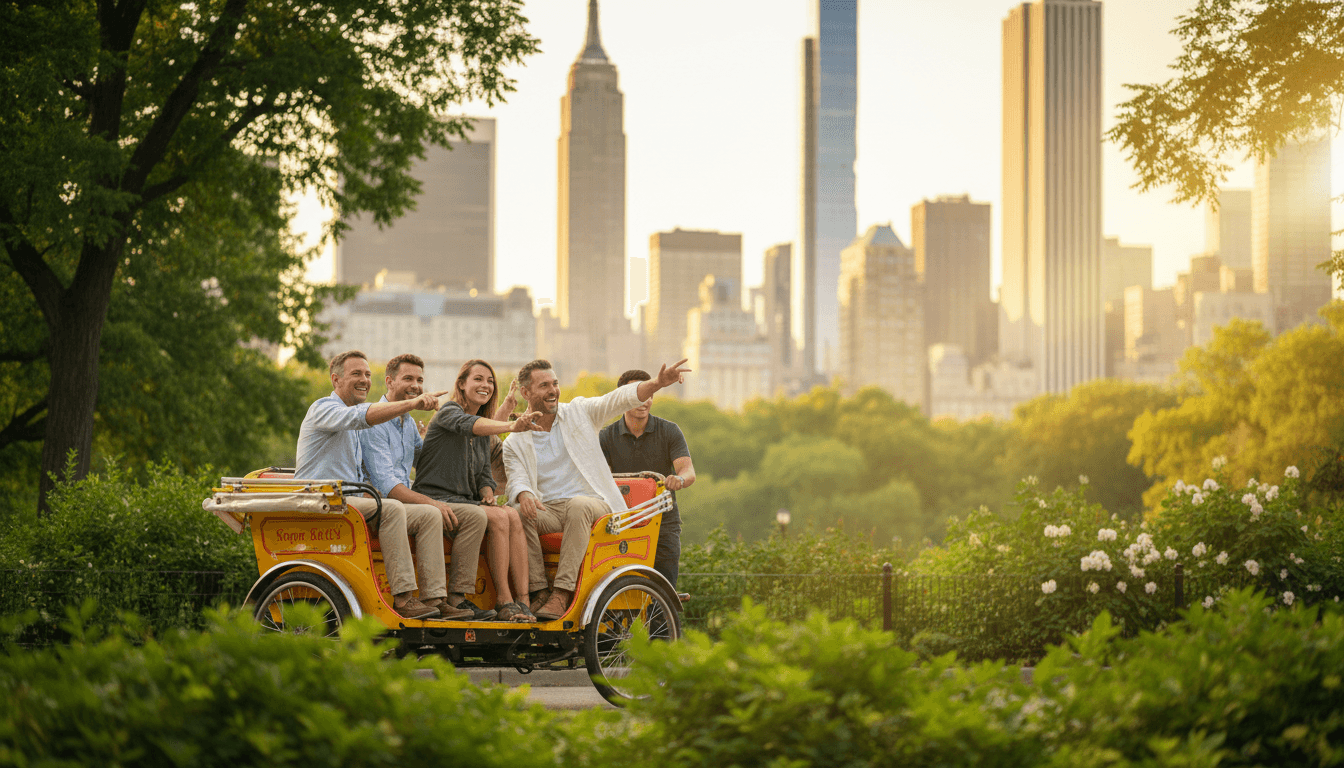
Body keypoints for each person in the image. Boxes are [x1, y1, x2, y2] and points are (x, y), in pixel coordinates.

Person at [504, 358, 692, 621]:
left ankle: (562, 592)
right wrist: (523, 494)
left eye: (555, 383)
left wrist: (657, 384)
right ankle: (539, 593)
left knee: (578, 505)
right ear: (526, 393)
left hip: (594, 505)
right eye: (544, 385)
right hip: (549, 509)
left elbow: (617, 400)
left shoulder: (579, 412)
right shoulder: (514, 440)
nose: (553, 390)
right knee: (515, 513)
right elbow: (516, 478)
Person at [295, 350, 452, 621]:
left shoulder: (358, 419)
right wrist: (413, 403)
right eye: (356, 374)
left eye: (368, 374)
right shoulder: (323, 409)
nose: (365, 380)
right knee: (391, 509)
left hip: (351, 501)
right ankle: (404, 598)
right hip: (324, 500)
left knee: (429, 515)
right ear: (336, 379)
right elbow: (362, 417)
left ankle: (434, 599)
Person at [414, 359, 542, 622]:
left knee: (512, 515)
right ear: (461, 384)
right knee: (494, 517)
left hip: (464, 501)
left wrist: (486, 491)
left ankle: (523, 600)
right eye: (478, 379)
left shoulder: (482, 425)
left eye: (490, 381)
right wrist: (509, 426)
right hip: (435, 498)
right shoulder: (449, 411)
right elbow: (468, 426)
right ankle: (500, 600)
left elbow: (484, 472)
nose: (486, 385)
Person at [599, 369, 696, 588]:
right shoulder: (606, 436)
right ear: (623, 397)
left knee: (663, 589)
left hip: (663, 521)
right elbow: (598, 480)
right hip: (622, 522)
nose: (645, 401)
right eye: (640, 394)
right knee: (616, 589)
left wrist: (678, 480)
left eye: (650, 395)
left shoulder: (669, 431)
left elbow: (688, 471)